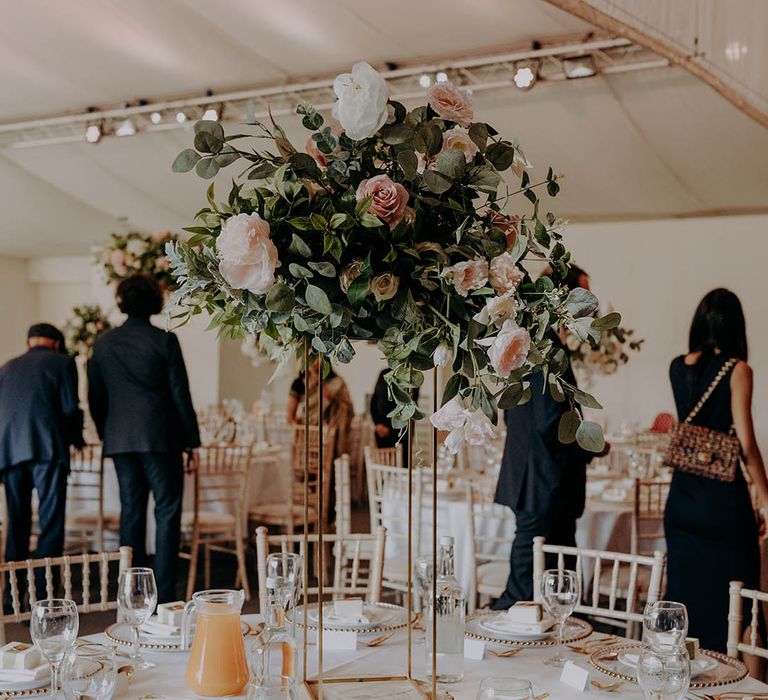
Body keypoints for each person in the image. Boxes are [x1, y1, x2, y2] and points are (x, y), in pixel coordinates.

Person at [665, 289, 768, 657]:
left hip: (680, 502)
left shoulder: (678, 365)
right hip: (722, 504)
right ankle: (741, 685)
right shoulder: (738, 369)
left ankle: (681, 672)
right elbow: (746, 443)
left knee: (684, 595)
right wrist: (767, 498)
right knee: (739, 601)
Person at [88, 275, 200, 602]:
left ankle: (132, 594)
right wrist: (192, 441)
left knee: (131, 513)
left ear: (122, 302)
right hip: (161, 440)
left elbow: (95, 396)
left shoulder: (103, 343)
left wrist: (107, 430)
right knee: (166, 513)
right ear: (155, 301)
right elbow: (181, 393)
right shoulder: (164, 339)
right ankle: (163, 598)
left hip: (121, 441)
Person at [492, 264, 595, 608]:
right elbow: (550, 423)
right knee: (529, 577)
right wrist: (590, 444)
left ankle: (548, 626)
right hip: (544, 476)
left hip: (530, 468)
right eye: (584, 301)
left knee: (544, 565)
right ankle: (511, 630)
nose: (589, 310)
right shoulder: (548, 351)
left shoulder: (526, 342)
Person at [0, 323, 82, 567]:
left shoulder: (6, 367)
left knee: (17, 523)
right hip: (48, 449)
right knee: (50, 523)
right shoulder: (63, 363)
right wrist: (76, 439)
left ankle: (13, 595)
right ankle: (46, 596)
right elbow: (69, 409)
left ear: (29, 342)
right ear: (56, 343)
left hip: (9, 453)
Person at [287, 362, 354, 458]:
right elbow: (290, 416)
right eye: (310, 356)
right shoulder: (298, 383)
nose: (314, 361)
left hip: (330, 434)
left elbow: (343, 405)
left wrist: (319, 381)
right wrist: (299, 430)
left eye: (317, 355)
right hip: (306, 434)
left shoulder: (336, 381)